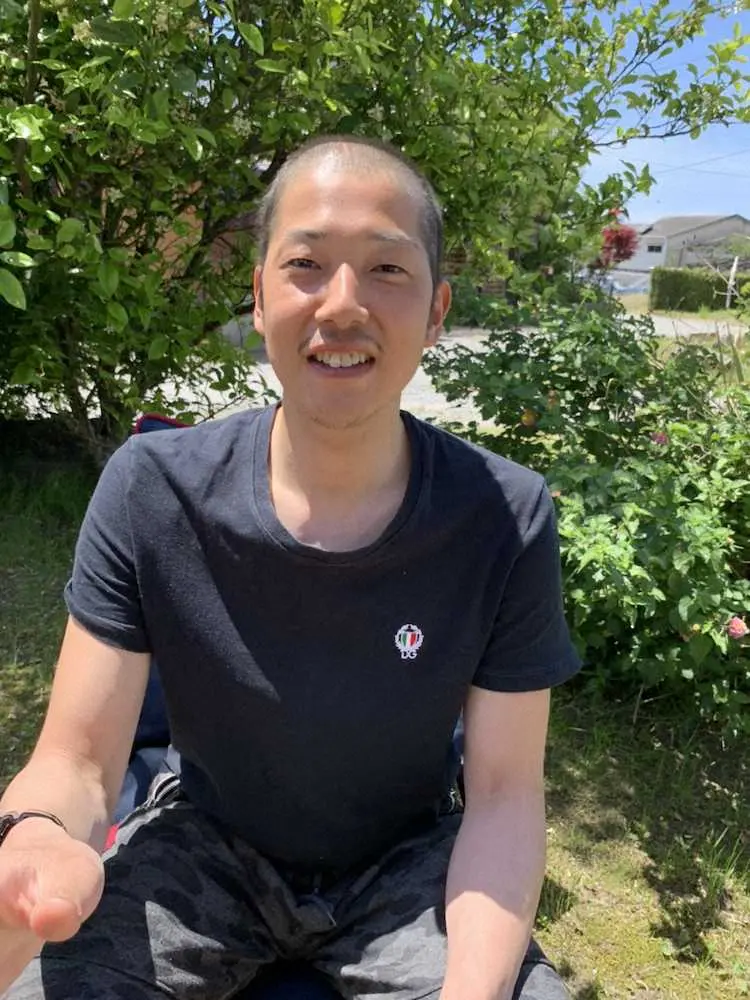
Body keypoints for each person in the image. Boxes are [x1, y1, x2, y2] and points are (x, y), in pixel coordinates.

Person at [0, 135, 581, 1000]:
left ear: (436, 311)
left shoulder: (506, 515)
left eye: (387, 269)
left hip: (409, 866)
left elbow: (503, 797)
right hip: (205, 846)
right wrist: (40, 832)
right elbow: (78, 762)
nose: (342, 304)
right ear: (260, 292)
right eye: (306, 264)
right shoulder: (152, 490)